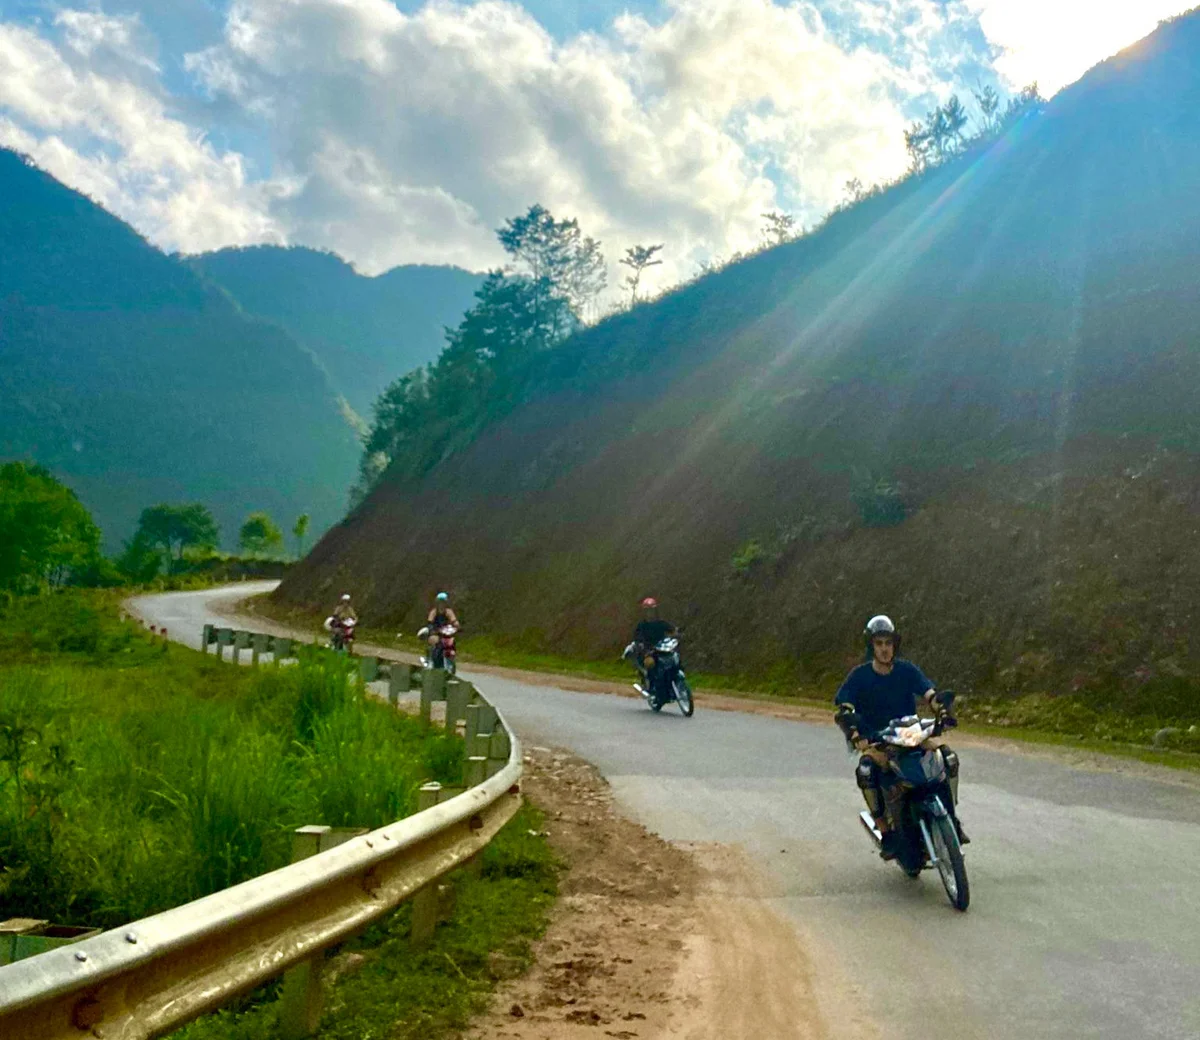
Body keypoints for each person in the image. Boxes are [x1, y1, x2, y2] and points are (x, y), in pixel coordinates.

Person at [834, 615, 967, 859]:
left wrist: (943, 711)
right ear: (871, 646)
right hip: (880, 741)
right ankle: (886, 832)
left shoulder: (907, 670)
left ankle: (952, 819)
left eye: (888, 643)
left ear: (895, 644)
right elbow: (845, 705)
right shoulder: (859, 676)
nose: (884, 649)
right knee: (865, 770)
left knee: (948, 757)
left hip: (911, 735)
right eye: (879, 643)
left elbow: (931, 694)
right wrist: (854, 731)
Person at [630, 597, 676, 693]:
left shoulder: (661, 623)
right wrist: (641, 644)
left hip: (661, 649)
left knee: (674, 658)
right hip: (648, 651)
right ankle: (650, 687)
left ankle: (673, 679)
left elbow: (672, 629)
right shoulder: (642, 625)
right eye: (647, 611)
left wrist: (677, 633)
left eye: (652, 610)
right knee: (650, 663)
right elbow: (637, 637)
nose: (650, 614)